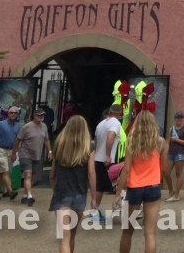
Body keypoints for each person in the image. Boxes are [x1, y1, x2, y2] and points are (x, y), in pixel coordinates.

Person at [115, 109, 168, 253]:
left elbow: (126, 170)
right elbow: (164, 168)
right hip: (153, 186)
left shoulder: (131, 143)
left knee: (127, 231)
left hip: (134, 187)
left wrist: (118, 192)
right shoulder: (161, 143)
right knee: (150, 232)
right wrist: (158, 178)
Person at [49, 114, 96, 253]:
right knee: (72, 235)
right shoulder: (89, 146)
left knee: (64, 237)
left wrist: (54, 188)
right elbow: (91, 173)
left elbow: (52, 174)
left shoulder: (59, 144)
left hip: (62, 193)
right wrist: (93, 197)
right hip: (79, 194)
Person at [89, 104, 123, 222]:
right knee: (115, 183)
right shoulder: (116, 123)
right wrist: (107, 155)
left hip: (98, 158)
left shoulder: (101, 123)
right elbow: (110, 137)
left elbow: (96, 140)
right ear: (120, 113)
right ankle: (94, 212)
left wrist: (99, 152)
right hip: (106, 160)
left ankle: (94, 210)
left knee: (100, 186)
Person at [12, 108, 51, 206]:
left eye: (42, 115)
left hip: (37, 154)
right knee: (28, 174)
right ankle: (29, 196)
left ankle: (25, 195)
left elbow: (46, 140)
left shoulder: (44, 127)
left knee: (32, 175)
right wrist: (14, 152)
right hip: (25, 153)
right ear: (34, 116)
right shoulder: (27, 127)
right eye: (39, 115)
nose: (41, 117)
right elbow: (18, 140)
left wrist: (49, 151)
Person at [0, 105, 21, 201]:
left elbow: (18, 141)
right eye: (11, 112)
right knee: (5, 171)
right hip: (1, 149)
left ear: (17, 114)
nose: (13, 114)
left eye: (15, 113)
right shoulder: (1, 124)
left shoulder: (18, 126)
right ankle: (10, 191)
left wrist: (15, 153)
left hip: (11, 151)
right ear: (8, 113)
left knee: (2, 172)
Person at [165, 111, 184, 202]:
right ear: (175, 119)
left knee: (179, 173)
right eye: (177, 117)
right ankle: (171, 190)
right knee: (166, 173)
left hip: (180, 153)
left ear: (182, 119)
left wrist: (177, 140)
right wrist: (166, 150)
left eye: (180, 117)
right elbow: (168, 141)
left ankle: (176, 195)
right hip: (171, 153)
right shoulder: (171, 129)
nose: (179, 119)